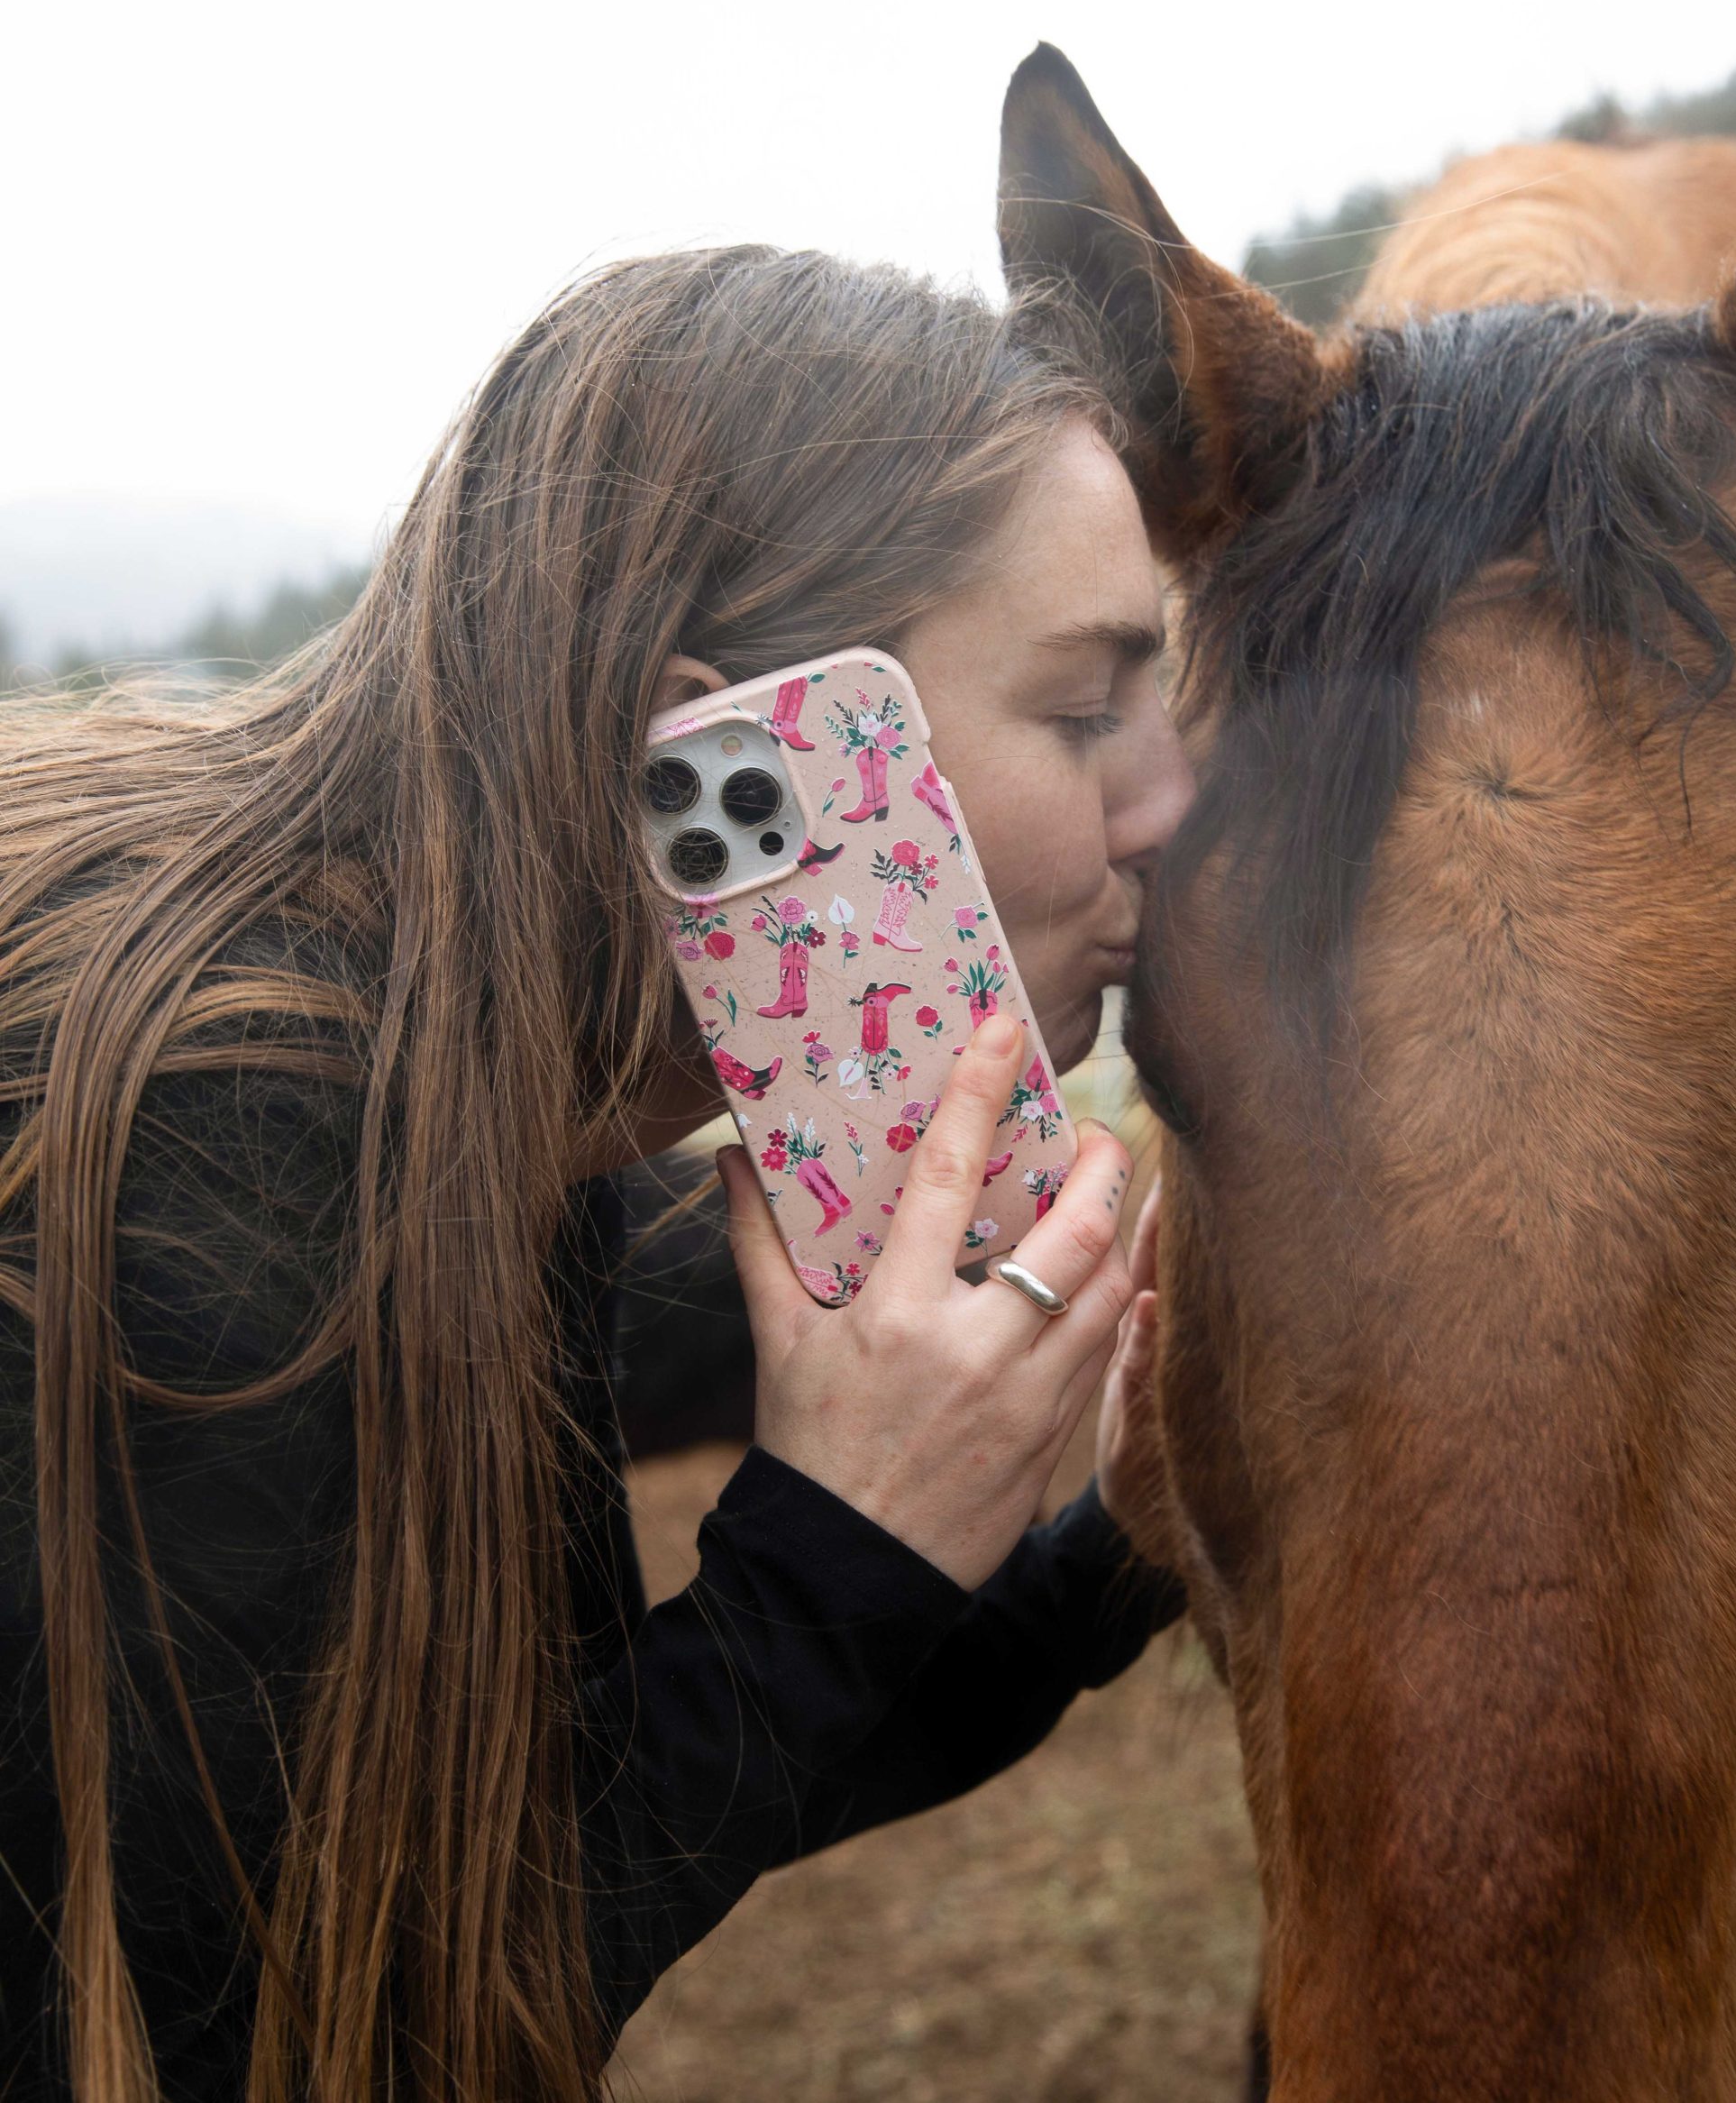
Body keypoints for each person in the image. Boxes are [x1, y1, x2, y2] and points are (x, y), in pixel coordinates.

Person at [0, 245, 1195, 2101]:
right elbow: (315, 2038)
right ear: (717, 753)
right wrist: (833, 1557)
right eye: (1082, 711)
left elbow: (635, 1782)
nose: (1166, 803)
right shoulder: (212, 1179)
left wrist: (1112, 1531)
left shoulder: (459, 1113)